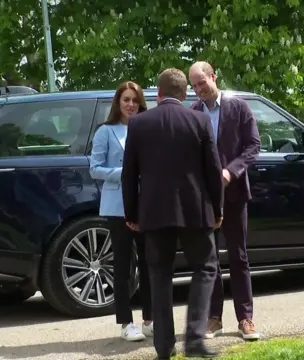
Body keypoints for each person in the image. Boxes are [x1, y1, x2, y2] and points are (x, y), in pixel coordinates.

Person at [121, 68, 224, 359]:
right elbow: (213, 171)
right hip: (196, 210)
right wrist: (217, 209)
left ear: (159, 94)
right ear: (185, 94)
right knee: (205, 268)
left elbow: (130, 174)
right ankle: (194, 339)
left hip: (154, 213)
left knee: (159, 276)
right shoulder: (200, 120)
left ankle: (164, 348)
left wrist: (132, 213)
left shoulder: (139, 124)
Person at [188, 61, 261, 341]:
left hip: (234, 194)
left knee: (238, 256)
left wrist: (231, 170)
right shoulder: (193, 112)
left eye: (201, 83)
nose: (198, 90)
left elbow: (253, 146)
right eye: (194, 86)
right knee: (209, 260)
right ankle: (214, 319)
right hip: (205, 197)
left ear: (213, 77)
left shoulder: (239, 107)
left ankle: (246, 319)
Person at [89, 81, 153, 341]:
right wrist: (125, 173)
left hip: (147, 205)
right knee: (123, 265)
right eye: (126, 100)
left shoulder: (147, 128)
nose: (131, 105)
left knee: (150, 264)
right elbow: (95, 168)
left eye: (135, 100)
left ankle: (150, 319)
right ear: (118, 102)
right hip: (118, 206)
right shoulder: (106, 131)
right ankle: (126, 322)